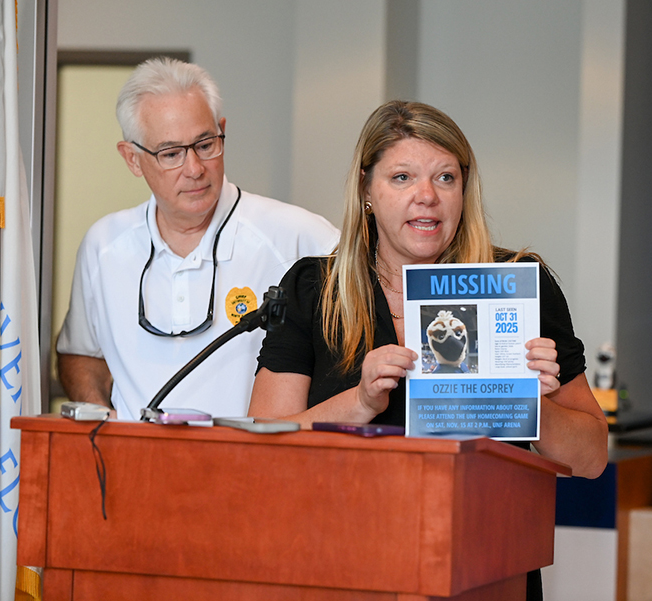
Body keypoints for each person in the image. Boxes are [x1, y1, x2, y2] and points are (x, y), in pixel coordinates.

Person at [250, 100, 607, 599]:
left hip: (485, 566)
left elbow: (592, 458)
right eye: (402, 178)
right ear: (366, 190)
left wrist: (526, 402)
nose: (427, 197)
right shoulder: (315, 289)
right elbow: (263, 451)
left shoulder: (517, 285)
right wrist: (360, 402)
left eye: (445, 178)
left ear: (464, 190)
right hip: (343, 561)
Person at [56, 58, 339, 420]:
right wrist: (103, 420)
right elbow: (80, 353)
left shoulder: (297, 235)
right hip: (136, 455)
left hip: (249, 454)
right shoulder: (104, 246)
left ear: (223, 131)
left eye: (205, 145)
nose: (194, 169)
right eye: (171, 153)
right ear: (132, 159)